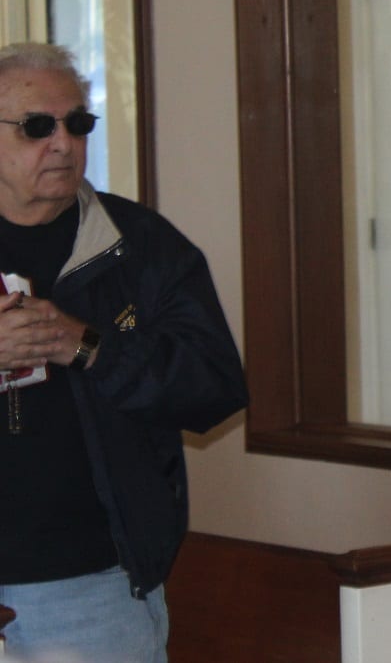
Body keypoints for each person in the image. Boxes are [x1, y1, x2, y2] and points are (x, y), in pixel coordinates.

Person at [0, 43, 248, 663]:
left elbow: (215, 387)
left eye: (77, 123)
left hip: (89, 585)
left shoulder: (140, 246)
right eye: (36, 127)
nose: (62, 142)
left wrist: (84, 345)